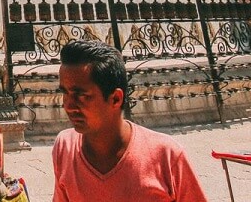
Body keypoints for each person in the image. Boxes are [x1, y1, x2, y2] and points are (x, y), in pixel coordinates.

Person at [52, 40, 207, 202]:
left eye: (81, 95)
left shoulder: (166, 156)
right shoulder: (64, 147)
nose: (69, 106)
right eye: (65, 93)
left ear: (115, 99)